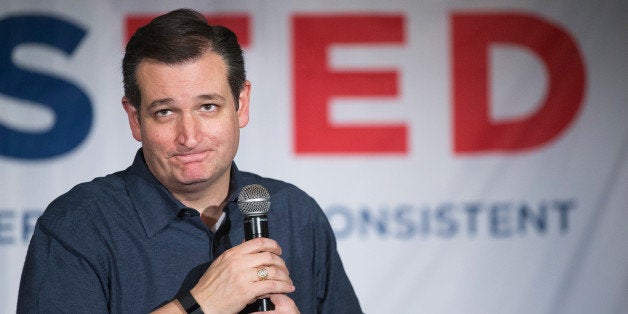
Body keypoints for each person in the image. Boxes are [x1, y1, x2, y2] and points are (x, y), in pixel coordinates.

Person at [17, 8, 362, 314]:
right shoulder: (77, 226)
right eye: (165, 112)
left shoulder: (297, 214)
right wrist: (202, 304)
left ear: (241, 104)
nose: (190, 137)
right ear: (135, 119)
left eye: (207, 107)